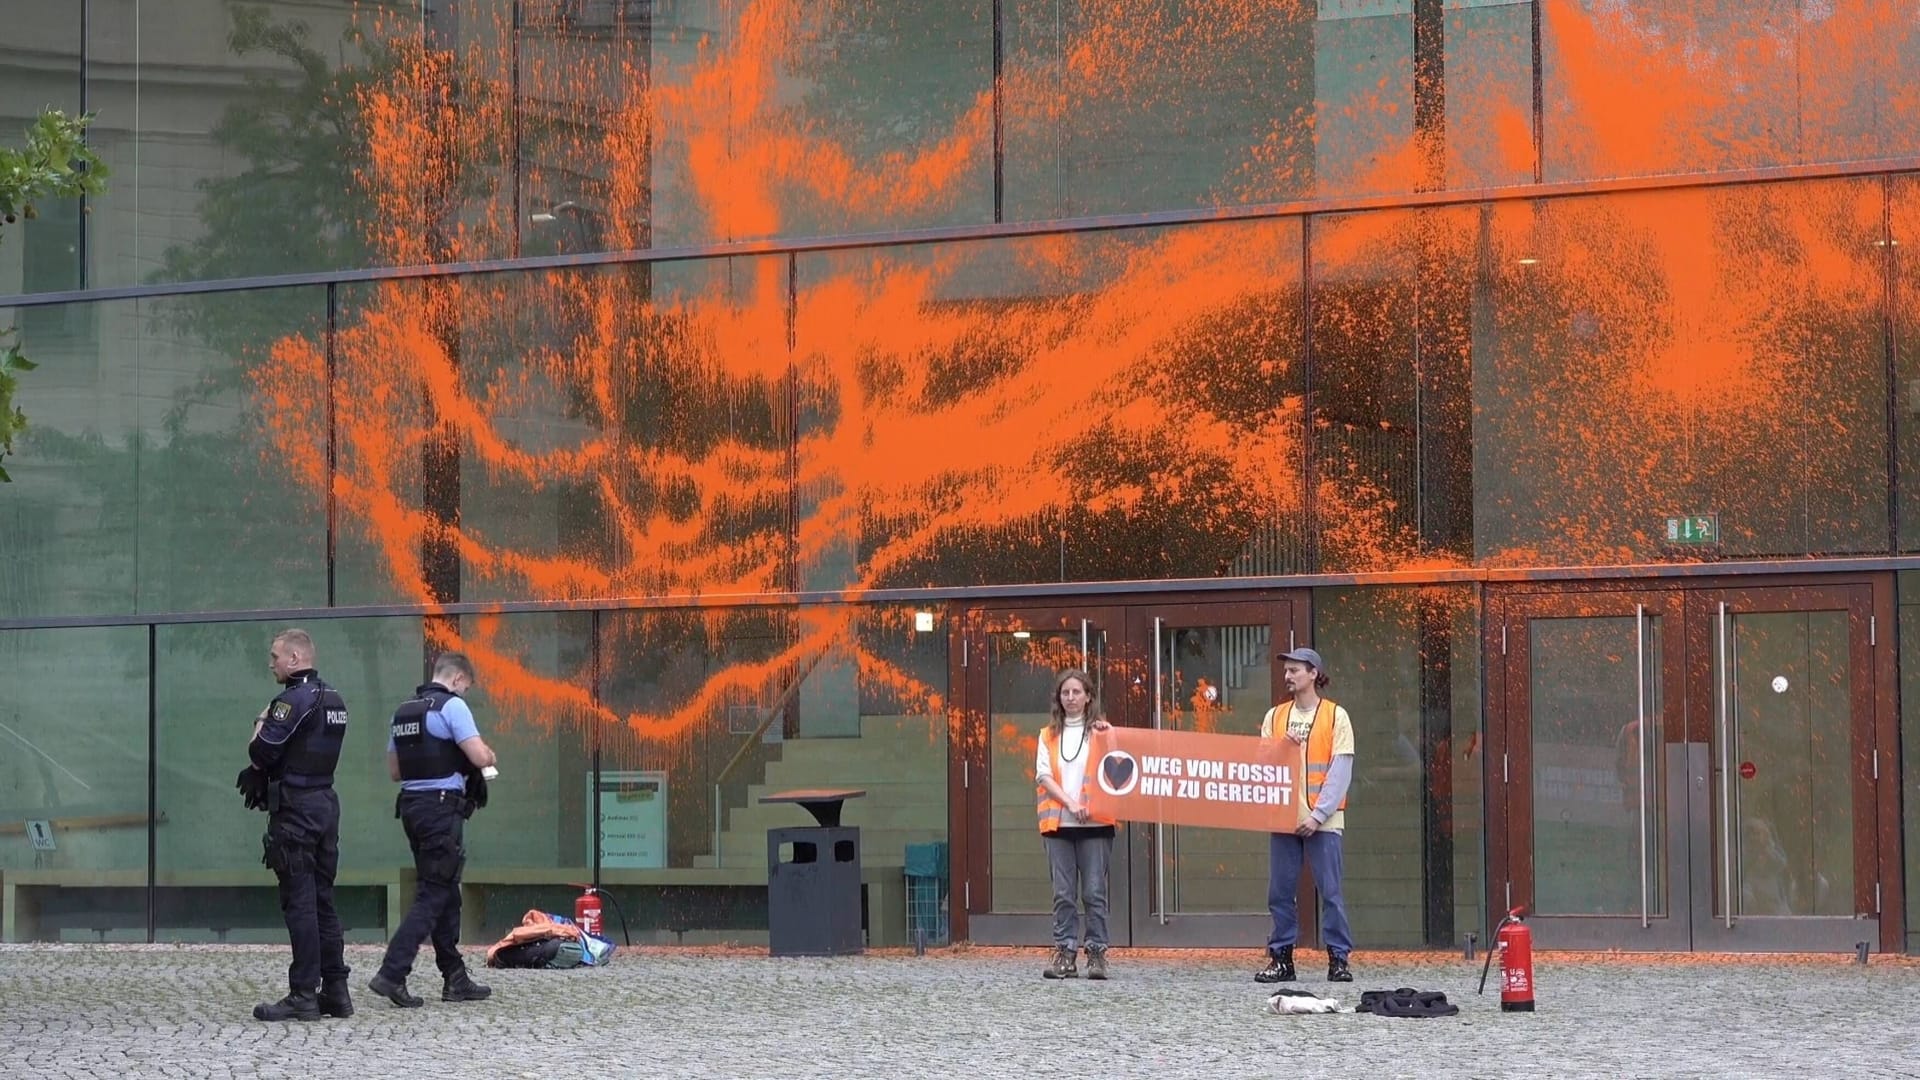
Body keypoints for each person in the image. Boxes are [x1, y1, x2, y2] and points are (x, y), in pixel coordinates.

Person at [368, 651, 498, 1008]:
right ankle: (392, 972)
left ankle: (454, 977)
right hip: (442, 808)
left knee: (444, 891)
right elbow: (477, 755)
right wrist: (488, 756)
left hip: (412, 807)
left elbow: (395, 771)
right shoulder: (452, 707)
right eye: (466, 688)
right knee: (433, 892)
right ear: (457, 680)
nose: (464, 694)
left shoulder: (404, 711)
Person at [243, 628, 352, 1022]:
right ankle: (336, 991)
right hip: (325, 806)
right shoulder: (335, 699)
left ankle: (304, 994)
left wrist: (261, 718)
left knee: (300, 903)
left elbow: (261, 751)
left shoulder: (293, 701)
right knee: (323, 900)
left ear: (294, 659)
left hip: (297, 812)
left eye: (275, 656)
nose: (271, 663)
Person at [1254, 647, 1356, 985]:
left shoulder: (1335, 716)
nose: (1288, 676)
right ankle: (1282, 959)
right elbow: (1261, 763)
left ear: (1313, 673)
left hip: (1323, 821)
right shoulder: (1275, 717)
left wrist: (1318, 814)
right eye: (1287, 671)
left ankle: (1338, 959)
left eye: (1295, 670)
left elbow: (1340, 769)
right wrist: (1283, 744)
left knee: (1331, 891)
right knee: (1280, 892)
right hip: (1283, 817)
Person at [1035, 668, 1116, 980]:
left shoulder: (1102, 732)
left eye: (1076, 692)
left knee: (1095, 891)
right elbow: (1043, 775)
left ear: (1088, 697)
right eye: (1065, 692)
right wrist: (1070, 803)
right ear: (1059, 697)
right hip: (1059, 824)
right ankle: (1065, 952)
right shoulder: (1047, 735)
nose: (1070, 698)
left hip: (1096, 824)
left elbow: (1117, 769)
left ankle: (1096, 952)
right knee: (1063, 893)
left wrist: (1110, 736)